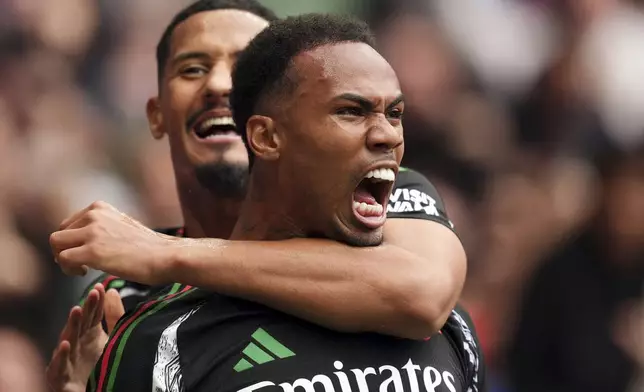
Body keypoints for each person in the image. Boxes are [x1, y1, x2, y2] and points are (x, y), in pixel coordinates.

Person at [51, 13, 484, 392]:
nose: (388, 134)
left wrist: (164, 253)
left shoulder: (421, 256)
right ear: (265, 136)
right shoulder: (160, 334)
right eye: (351, 111)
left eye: (395, 113)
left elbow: (421, 294)